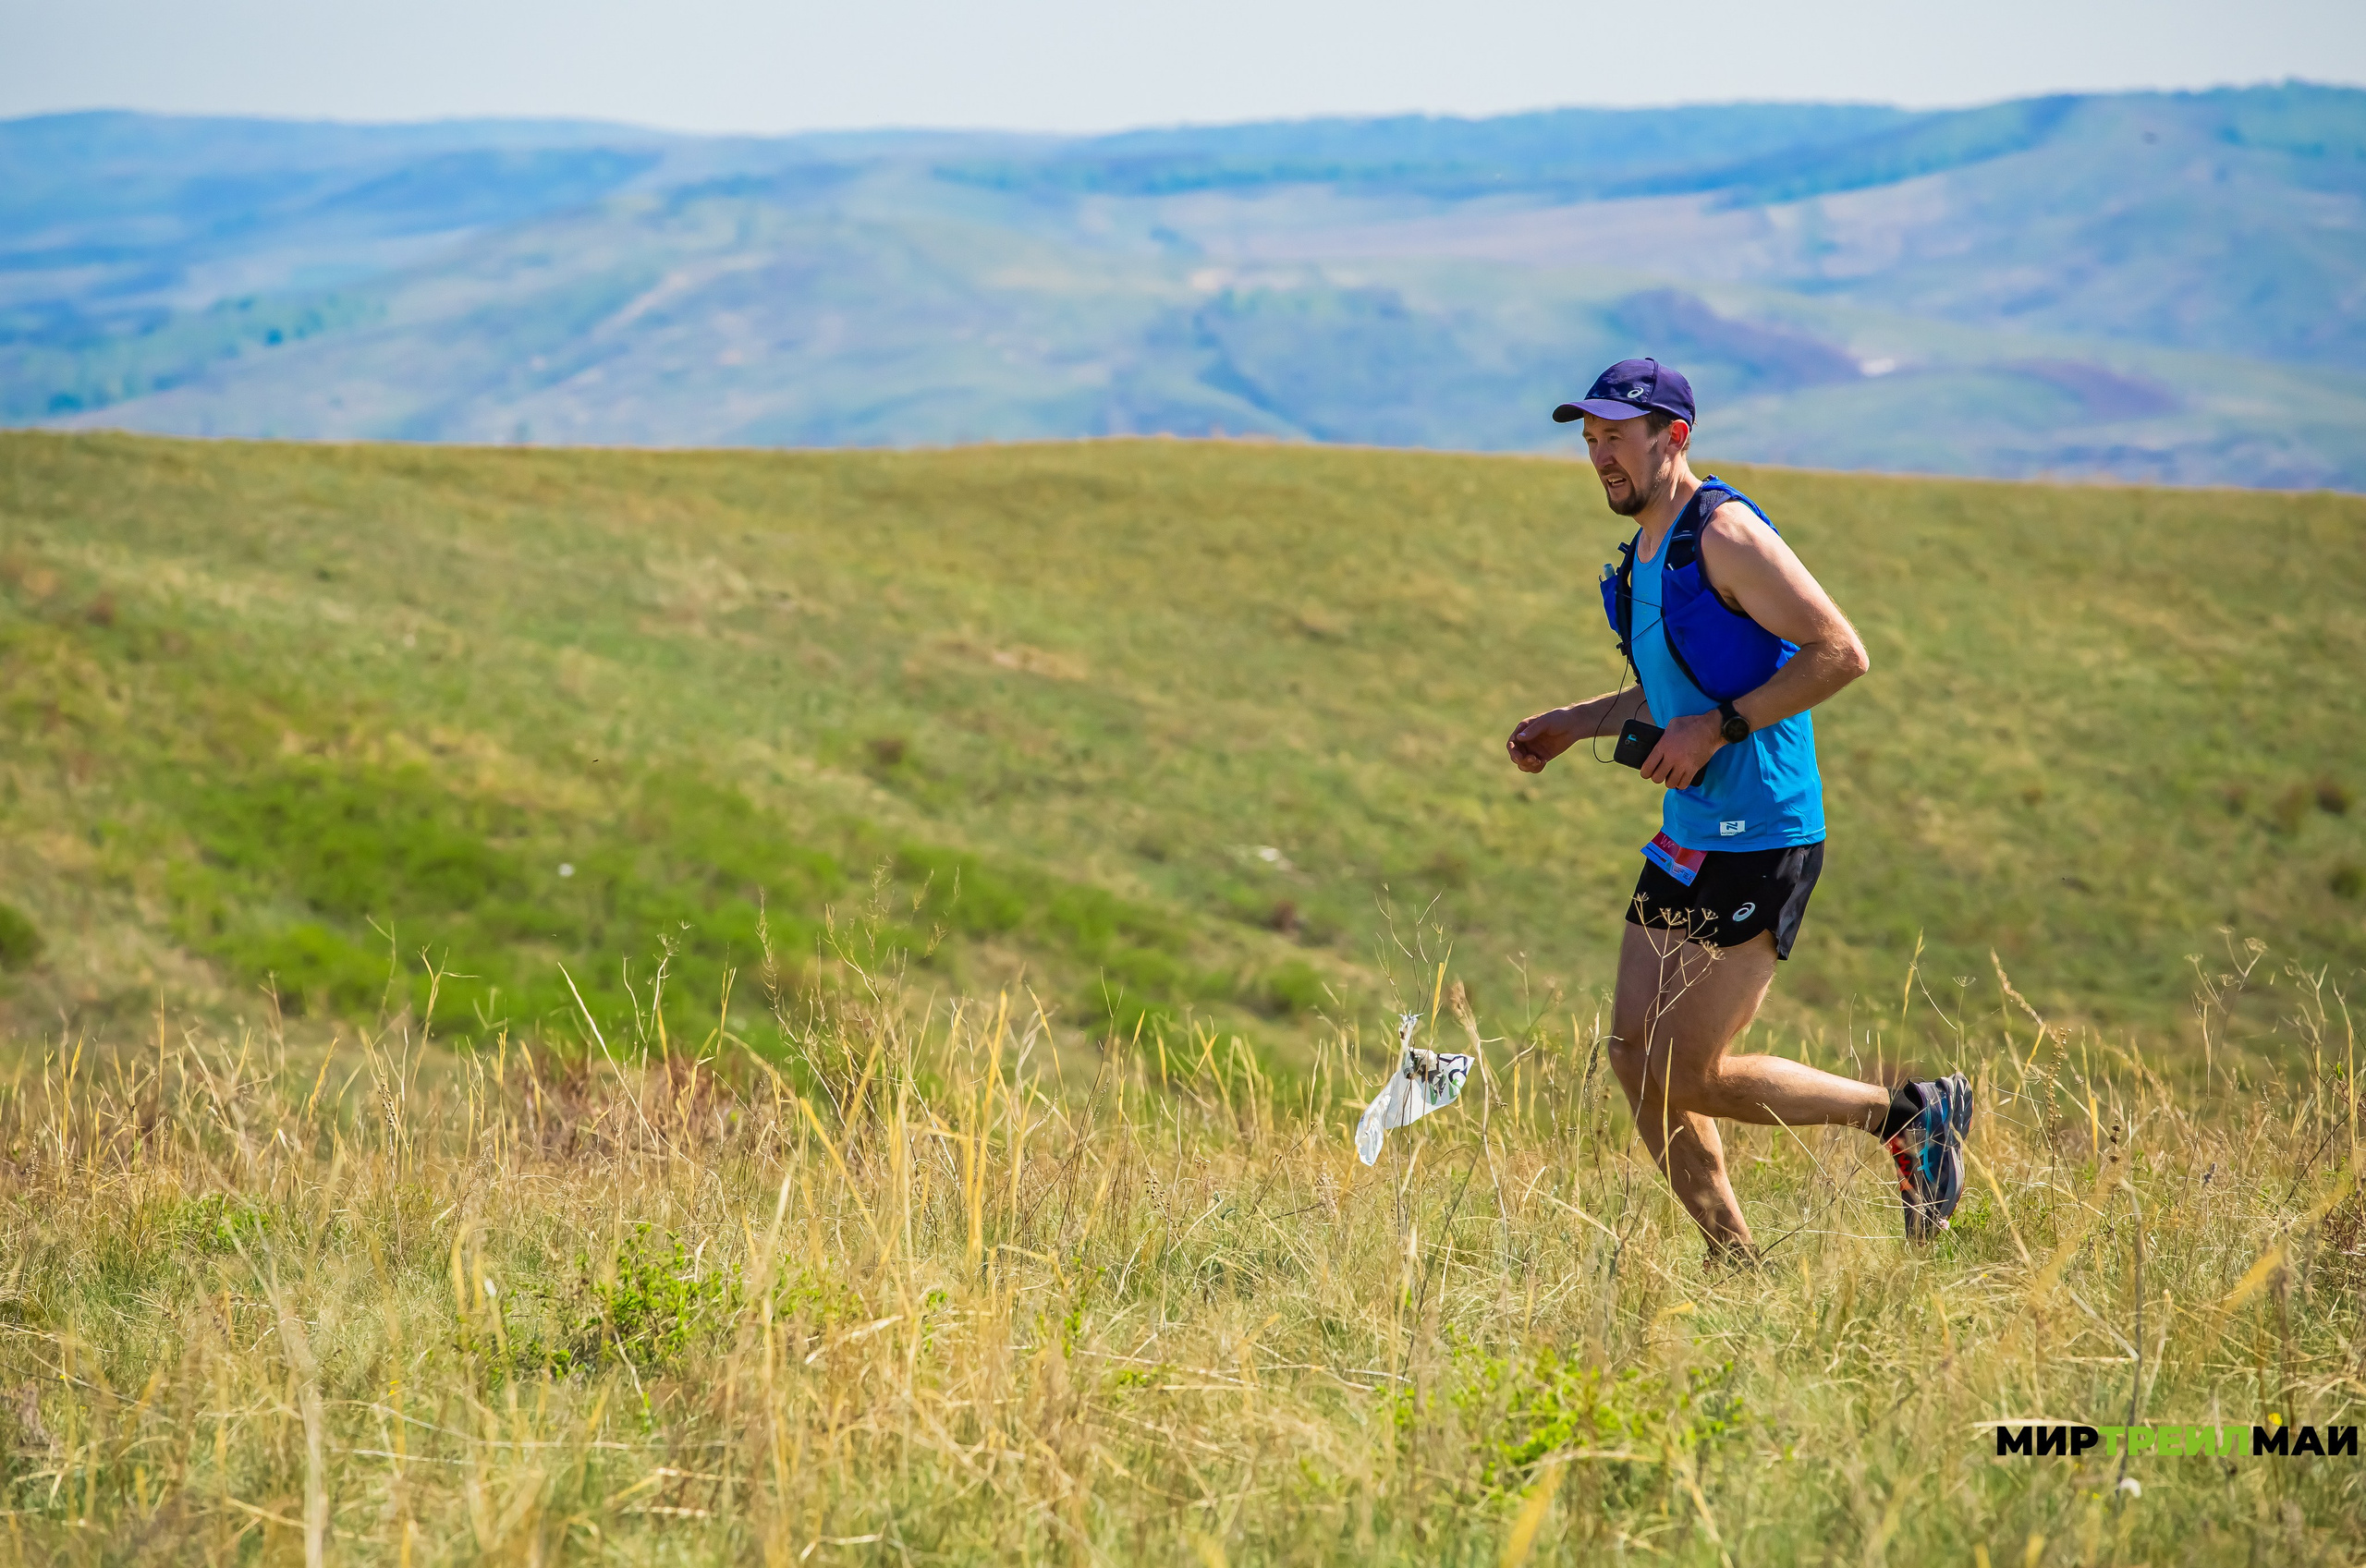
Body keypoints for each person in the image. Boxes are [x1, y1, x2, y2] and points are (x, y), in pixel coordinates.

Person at [1505, 358, 1970, 1256]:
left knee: (1690, 1069)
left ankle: (1907, 1114)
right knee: (1635, 1060)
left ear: (1671, 437)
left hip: (1761, 834)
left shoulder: (1724, 532)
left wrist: (1719, 729)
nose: (1600, 456)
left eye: (1617, 438)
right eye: (1589, 439)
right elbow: (1668, 696)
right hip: (1688, 836)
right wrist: (1573, 721)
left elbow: (1839, 652)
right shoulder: (1645, 552)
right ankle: (1734, 1255)